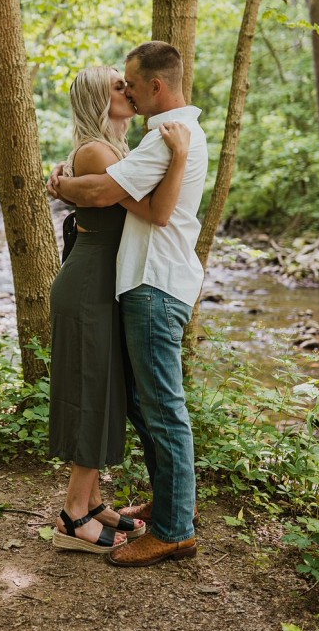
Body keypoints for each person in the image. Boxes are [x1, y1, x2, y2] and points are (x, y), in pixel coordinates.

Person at [49, 42, 208, 567]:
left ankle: (168, 521)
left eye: (131, 84)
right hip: (111, 281)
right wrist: (69, 185)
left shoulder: (164, 140)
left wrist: (64, 184)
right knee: (131, 398)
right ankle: (108, 510)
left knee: (151, 404)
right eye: (119, 87)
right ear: (101, 98)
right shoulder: (140, 143)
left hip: (147, 282)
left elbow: (139, 206)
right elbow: (111, 197)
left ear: (155, 86)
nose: (129, 93)